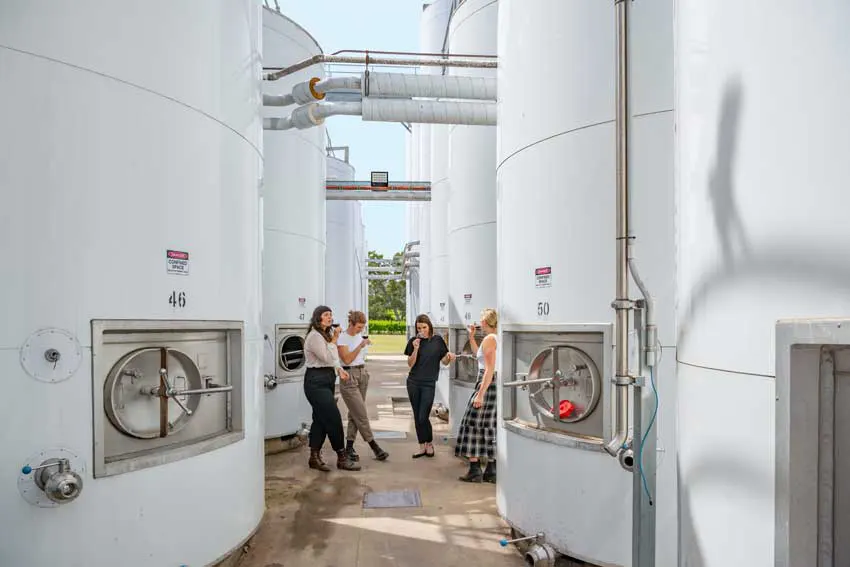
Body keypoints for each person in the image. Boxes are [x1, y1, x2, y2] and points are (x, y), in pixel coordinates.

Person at [303, 305, 360, 472]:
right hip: (316, 382)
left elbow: (333, 359)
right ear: (318, 318)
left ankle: (314, 457)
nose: (330, 317)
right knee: (334, 418)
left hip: (327, 379)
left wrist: (339, 369)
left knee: (320, 419)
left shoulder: (325, 334)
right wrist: (335, 339)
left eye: (331, 315)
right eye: (326, 315)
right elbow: (327, 357)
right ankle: (341, 457)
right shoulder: (315, 336)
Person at [337, 310, 389, 462]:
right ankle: (374, 446)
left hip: (362, 374)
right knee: (361, 413)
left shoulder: (359, 336)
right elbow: (346, 360)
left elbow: (358, 355)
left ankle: (349, 447)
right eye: (359, 327)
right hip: (349, 376)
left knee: (354, 413)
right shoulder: (342, 337)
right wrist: (360, 346)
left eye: (363, 327)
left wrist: (364, 343)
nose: (361, 330)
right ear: (351, 324)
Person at [455, 308, 499, 483]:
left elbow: (489, 369)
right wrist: (471, 337)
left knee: (471, 424)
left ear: (484, 322)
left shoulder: (489, 339)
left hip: (487, 383)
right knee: (489, 425)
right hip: (491, 383)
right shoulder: (496, 337)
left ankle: (475, 470)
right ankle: (491, 470)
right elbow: (478, 355)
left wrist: (480, 394)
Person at [404, 313, 456, 458]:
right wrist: (415, 348)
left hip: (429, 384)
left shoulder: (437, 341)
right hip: (413, 382)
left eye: (424, 327)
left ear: (429, 326)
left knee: (423, 416)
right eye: (419, 328)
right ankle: (422, 446)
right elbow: (410, 364)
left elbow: (444, 361)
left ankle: (429, 443)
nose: (421, 330)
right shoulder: (413, 341)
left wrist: (449, 357)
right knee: (417, 416)